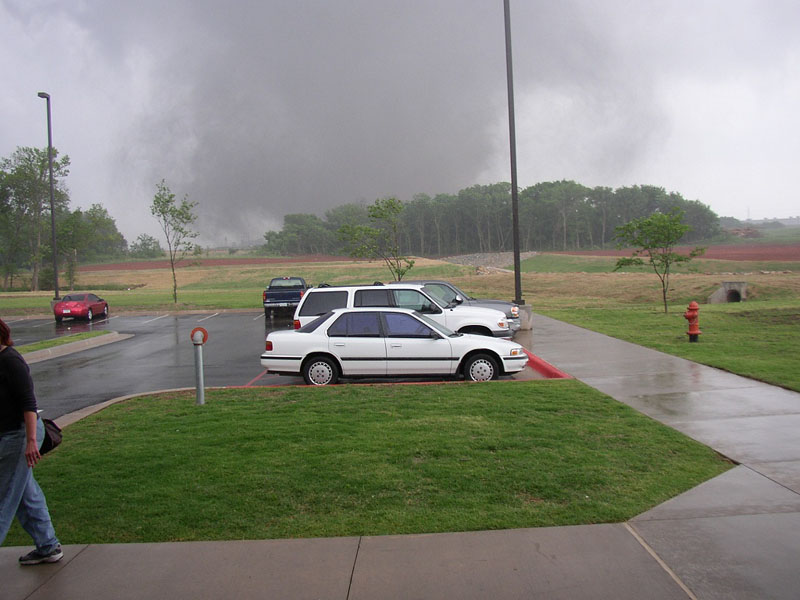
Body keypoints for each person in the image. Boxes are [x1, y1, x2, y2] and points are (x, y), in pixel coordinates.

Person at [0, 317, 62, 565]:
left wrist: (30, 442)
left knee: (4, 496)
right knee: (25, 493)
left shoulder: (11, 361)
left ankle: (48, 545)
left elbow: (29, 404)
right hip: (7, 434)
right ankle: (48, 546)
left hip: (20, 434)